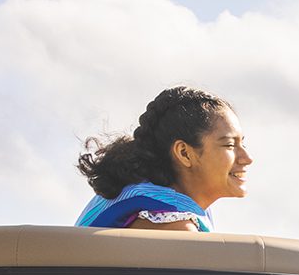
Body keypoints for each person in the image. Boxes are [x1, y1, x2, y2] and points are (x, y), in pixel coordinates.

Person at [75, 87, 250, 231]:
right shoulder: (173, 226)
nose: (247, 158)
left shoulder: (137, 195)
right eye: (229, 145)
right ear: (184, 153)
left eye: (243, 143)